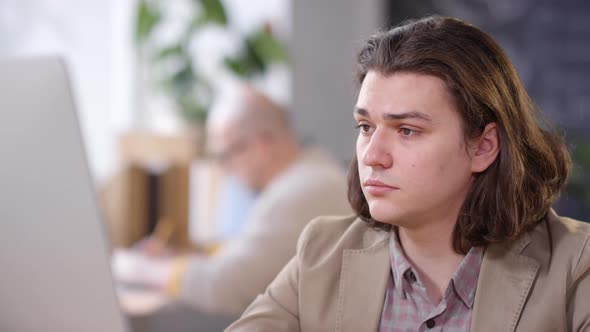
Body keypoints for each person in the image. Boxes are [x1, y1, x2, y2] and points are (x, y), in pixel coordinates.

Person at [226, 16, 590, 331]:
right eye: (366, 127)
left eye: (407, 131)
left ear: (483, 147)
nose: (372, 155)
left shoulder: (576, 266)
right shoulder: (323, 253)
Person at [115, 84, 351, 317]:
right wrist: (177, 259)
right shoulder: (311, 173)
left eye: (225, 155)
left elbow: (224, 286)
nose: (224, 170)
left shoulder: (302, 190)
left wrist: (137, 268)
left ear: (261, 146)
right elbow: (242, 252)